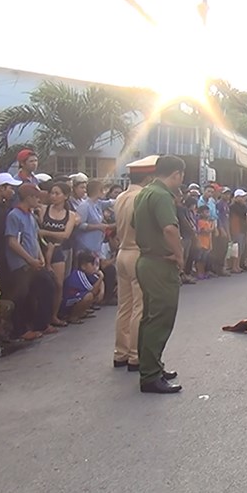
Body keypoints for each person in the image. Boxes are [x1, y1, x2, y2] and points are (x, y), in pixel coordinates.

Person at [132, 155, 185, 394]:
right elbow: (169, 229)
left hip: (145, 260)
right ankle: (150, 376)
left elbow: (136, 224)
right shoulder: (163, 196)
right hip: (160, 263)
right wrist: (179, 255)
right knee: (161, 318)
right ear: (176, 174)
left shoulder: (144, 192)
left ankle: (151, 366)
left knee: (149, 317)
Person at [113, 159, 155, 371]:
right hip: (138, 252)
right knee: (140, 307)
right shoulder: (142, 197)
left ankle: (120, 352)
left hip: (122, 251)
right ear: (148, 177)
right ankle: (135, 355)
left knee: (125, 307)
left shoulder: (121, 196)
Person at [5, 184, 56, 340]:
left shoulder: (30, 216)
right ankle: (19, 330)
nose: (38, 200)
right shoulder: (14, 215)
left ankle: (41, 323)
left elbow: (34, 238)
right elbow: (12, 242)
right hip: (21, 264)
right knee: (22, 296)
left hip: (34, 262)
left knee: (48, 285)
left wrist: (40, 258)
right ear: (28, 198)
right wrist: (29, 259)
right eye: (35, 197)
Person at [38, 182, 78, 328]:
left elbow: (65, 235)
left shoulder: (70, 215)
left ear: (65, 196)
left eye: (57, 193)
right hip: (42, 250)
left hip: (60, 250)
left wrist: (46, 232)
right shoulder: (43, 209)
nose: (53, 196)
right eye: (52, 193)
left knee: (58, 284)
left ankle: (54, 315)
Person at [0, 173, 23, 298]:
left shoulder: (6, 207)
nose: (13, 192)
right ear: (2, 188)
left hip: (5, 256)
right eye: (11, 188)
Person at [60, 251, 104, 324]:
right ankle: (73, 317)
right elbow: (93, 291)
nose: (94, 267)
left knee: (92, 292)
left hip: (75, 298)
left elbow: (100, 284)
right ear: (83, 266)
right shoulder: (79, 274)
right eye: (92, 264)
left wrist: (101, 291)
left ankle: (81, 312)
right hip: (66, 303)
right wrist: (101, 277)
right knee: (89, 296)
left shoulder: (89, 274)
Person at [73, 180, 114, 255]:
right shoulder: (84, 206)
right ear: (99, 191)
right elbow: (79, 225)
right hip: (86, 246)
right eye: (103, 190)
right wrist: (98, 227)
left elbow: (112, 202)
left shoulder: (98, 203)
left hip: (96, 245)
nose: (105, 192)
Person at [229, 189, 247, 273]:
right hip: (237, 229)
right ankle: (234, 266)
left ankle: (238, 265)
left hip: (243, 229)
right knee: (236, 249)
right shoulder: (233, 207)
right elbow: (236, 218)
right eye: (242, 197)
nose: (244, 198)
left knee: (241, 248)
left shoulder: (243, 206)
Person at [195, 206, 214, 280]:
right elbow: (204, 231)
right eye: (206, 212)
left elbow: (209, 234)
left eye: (208, 212)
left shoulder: (207, 222)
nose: (208, 214)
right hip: (201, 242)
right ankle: (199, 273)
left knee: (204, 259)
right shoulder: (200, 222)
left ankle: (203, 272)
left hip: (207, 243)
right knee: (200, 259)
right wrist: (212, 228)